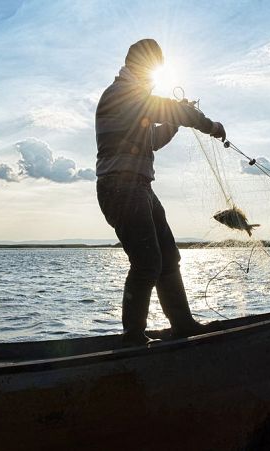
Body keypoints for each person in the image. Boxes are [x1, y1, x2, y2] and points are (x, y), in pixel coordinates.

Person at [95, 38, 227, 345]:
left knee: (168, 257)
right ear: (139, 66)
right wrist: (211, 126)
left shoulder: (134, 98)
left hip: (139, 186)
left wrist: (177, 120)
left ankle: (182, 325)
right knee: (147, 263)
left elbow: (151, 139)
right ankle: (132, 338)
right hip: (120, 188)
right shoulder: (120, 94)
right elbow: (167, 110)